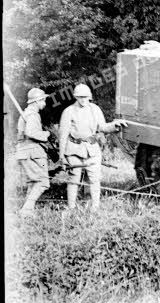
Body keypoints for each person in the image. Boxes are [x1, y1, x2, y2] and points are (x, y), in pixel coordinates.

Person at [59, 84, 129, 211]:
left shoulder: (95, 109)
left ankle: (95, 207)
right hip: (74, 150)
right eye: (80, 97)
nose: (83, 100)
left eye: (85, 97)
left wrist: (114, 126)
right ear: (75, 97)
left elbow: (102, 127)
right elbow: (63, 135)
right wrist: (62, 156)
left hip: (92, 149)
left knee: (94, 179)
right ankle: (71, 207)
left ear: (89, 96)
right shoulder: (68, 111)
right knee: (73, 180)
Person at [16, 88, 52, 216]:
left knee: (33, 182)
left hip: (24, 151)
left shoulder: (25, 114)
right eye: (43, 100)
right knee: (43, 182)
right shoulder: (33, 115)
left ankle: (27, 209)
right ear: (37, 101)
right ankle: (26, 210)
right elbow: (30, 132)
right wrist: (45, 134)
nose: (44, 103)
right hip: (32, 152)